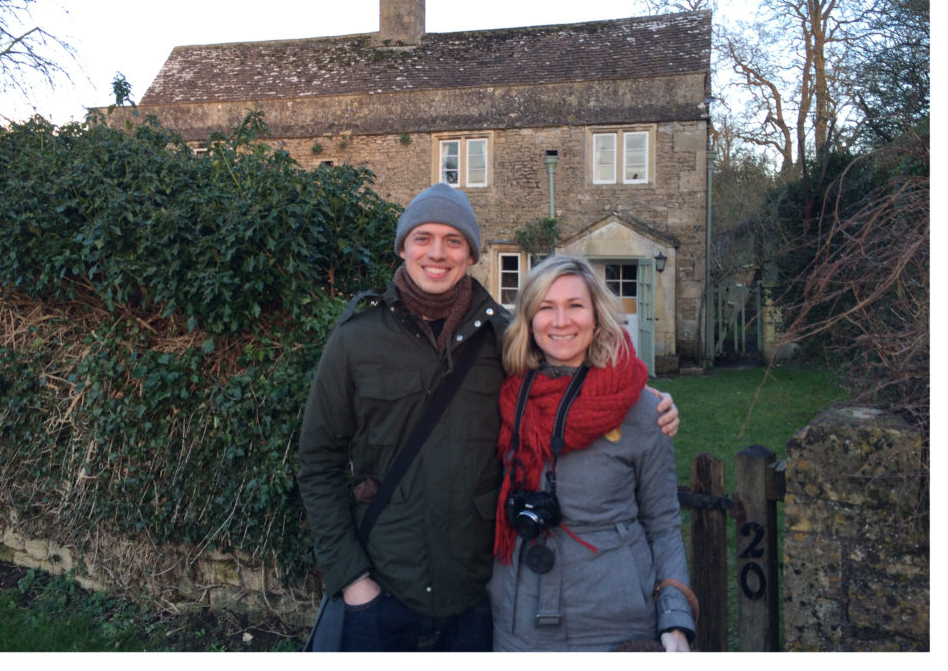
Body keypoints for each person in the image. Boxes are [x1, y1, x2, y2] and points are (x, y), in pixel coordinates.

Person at [297, 183, 680, 652]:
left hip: (475, 597)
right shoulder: (356, 340)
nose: (437, 253)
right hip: (382, 587)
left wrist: (643, 398)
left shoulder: (504, 337)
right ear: (403, 247)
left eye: (453, 240)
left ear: (472, 253)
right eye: (423, 238)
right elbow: (318, 461)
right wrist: (351, 580)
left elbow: (572, 370)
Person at [489, 254, 695, 651]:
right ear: (530, 320)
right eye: (546, 308)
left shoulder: (638, 408)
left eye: (575, 306)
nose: (561, 321)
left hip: (613, 622)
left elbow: (663, 520)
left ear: (597, 316)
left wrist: (674, 618)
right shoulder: (505, 395)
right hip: (518, 618)